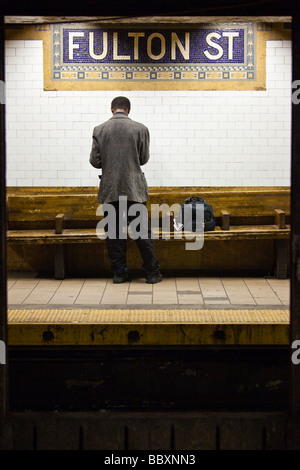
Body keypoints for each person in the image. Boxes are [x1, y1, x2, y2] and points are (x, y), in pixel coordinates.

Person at [89, 96, 163, 284]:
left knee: (114, 234)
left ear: (112, 109)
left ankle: (120, 273)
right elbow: (144, 159)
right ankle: (152, 273)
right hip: (134, 190)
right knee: (142, 233)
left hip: (111, 190)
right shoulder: (141, 129)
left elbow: (95, 162)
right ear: (128, 110)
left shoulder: (100, 129)